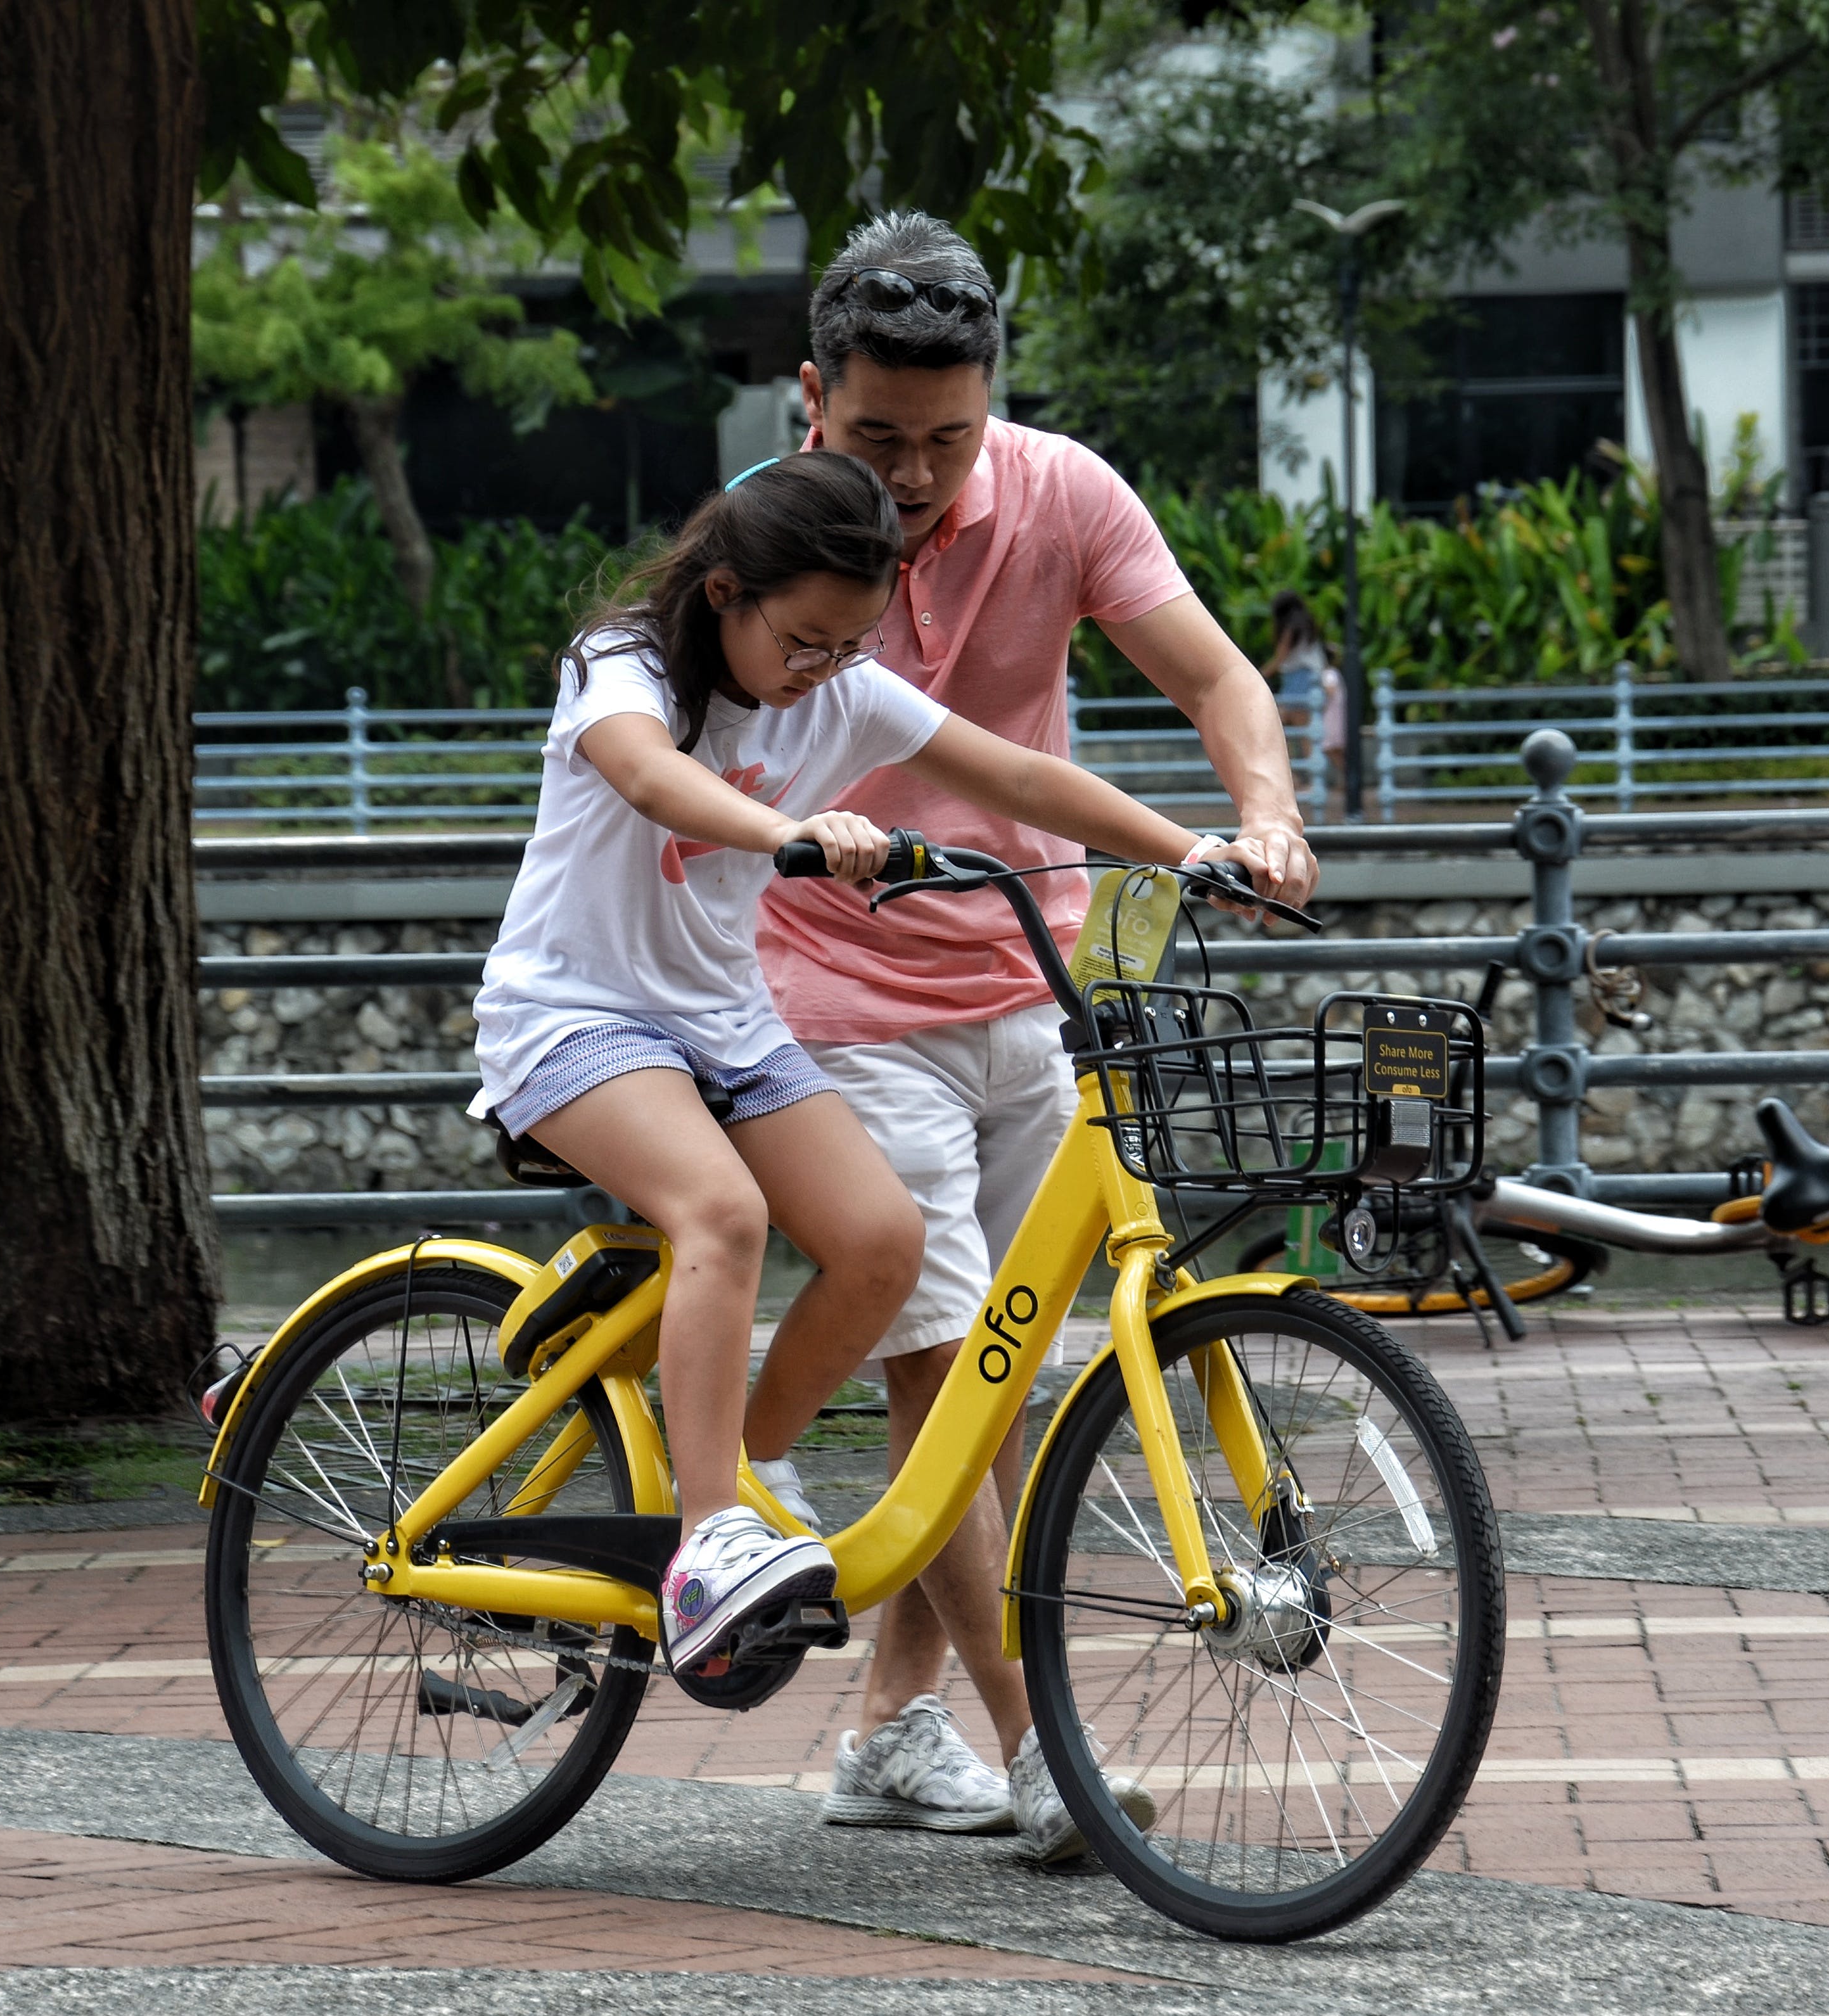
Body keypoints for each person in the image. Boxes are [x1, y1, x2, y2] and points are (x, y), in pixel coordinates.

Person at [740, 212, 1316, 1862]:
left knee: (989, 1391)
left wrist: (1259, 816)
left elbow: (1214, 675)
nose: (913, 476)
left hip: (1029, 985)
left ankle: (887, 1732)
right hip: (834, 998)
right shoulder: (772, 535)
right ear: (810, 399)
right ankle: (1036, 1736)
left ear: (993, 405)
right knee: (944, 1364)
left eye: (947, 438)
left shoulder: (1064, 494)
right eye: (876, 439)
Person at [468, 449, 1223, 1697]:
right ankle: (709, 1538)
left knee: (884, 1242)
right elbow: (651, 774)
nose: (823, 668)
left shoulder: (842, 691)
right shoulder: (622, 662)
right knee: (723, 1210)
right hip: (574, 1013)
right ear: (724, 593)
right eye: (804, 640)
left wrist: (1196, 846)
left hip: (721, 1017)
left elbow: (1023, 778)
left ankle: (740, 1467)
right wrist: (788, 830)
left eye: (849, 642)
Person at [1264, 590, 1344, 819]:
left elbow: (1280, 658)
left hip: (1300, 681)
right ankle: (1300, 780)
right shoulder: (1306, 625)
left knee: (1299, 733)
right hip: (1302, 680)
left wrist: (1258, 675)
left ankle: (1309, 781)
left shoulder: (1290, 629)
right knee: (1286, 729)